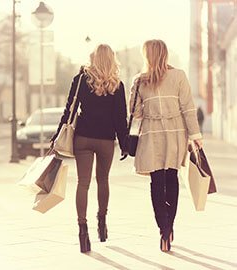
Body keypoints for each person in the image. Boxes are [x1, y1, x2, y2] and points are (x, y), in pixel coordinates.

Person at [50, 44, 128, 253]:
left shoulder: (80, 80)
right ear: (112, 59)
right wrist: (125, 144)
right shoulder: (117, 85)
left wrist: (57, 135)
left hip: (83, 138)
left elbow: (69, 110)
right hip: (105, 141)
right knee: (103, 180)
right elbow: (121, 119)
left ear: (93, 58)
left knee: (82, 183)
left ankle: (82, 230)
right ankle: (102, 223)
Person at [128, 39, 202, 252]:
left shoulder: (140, 81)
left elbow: (136, 114)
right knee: (172, 179)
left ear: (147, 56)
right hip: (175, 134)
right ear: (165, 54)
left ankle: (163, 229)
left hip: (151, 135)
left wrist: (136, 91)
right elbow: (188, 108)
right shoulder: (179, 76)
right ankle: (169, 227)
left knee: (156, 182)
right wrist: (195, 135)